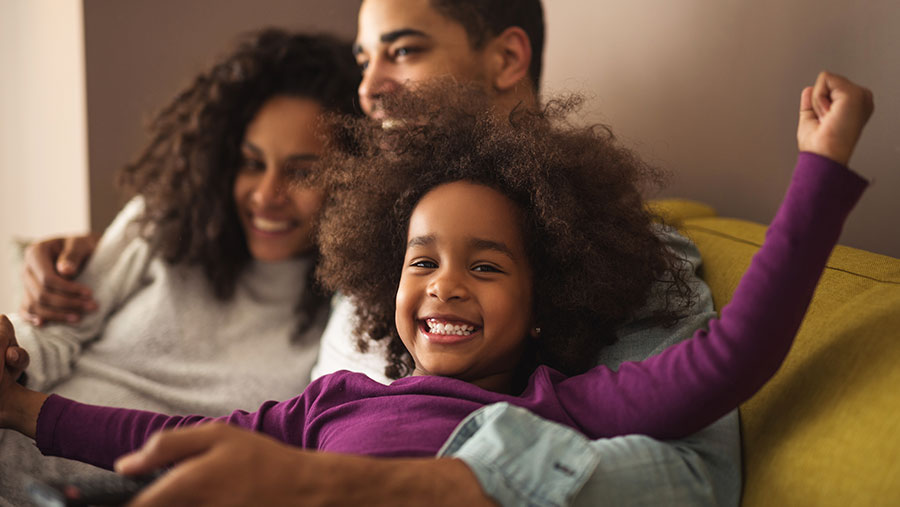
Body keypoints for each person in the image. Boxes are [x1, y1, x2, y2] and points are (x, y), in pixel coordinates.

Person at [0, 72, 874, 503]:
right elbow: (164, 435)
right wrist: (20, 406)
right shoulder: (327, 402)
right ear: (387, 280)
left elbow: (732, 356)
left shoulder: (559, 407)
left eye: (485, 265)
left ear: (545, 304)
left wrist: (820, 168)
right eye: (422, 260)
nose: (446, 284)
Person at [0, 29, 361, 506]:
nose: (266, 195)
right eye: (251, 164)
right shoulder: (164, 226)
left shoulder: (347, 317)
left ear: (355, 180)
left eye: (302, 172)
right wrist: (12, 357)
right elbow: (52, 337)